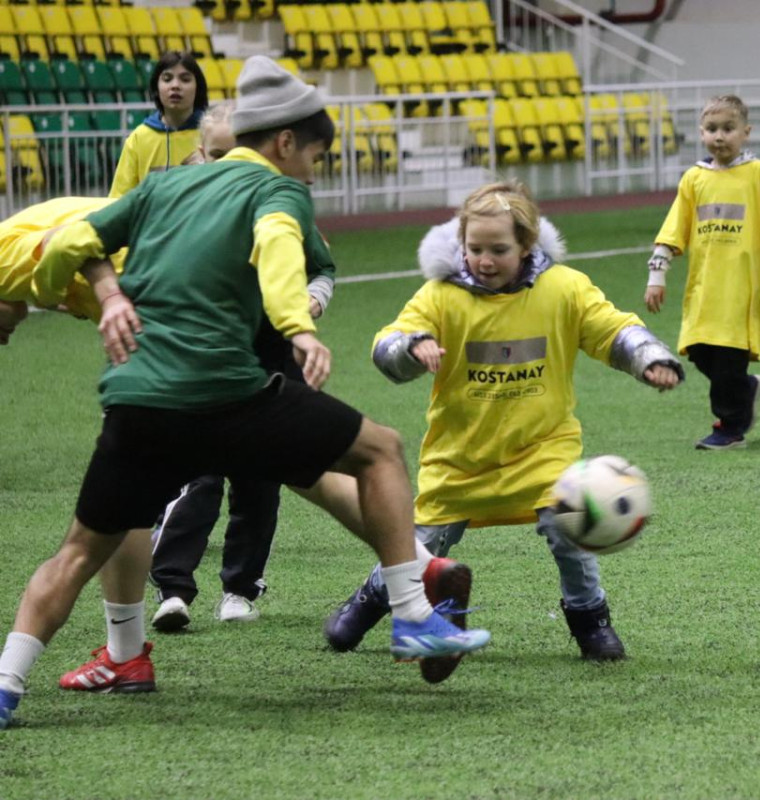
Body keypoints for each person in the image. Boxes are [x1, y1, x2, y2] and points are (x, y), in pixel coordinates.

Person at [0, 56, 490, 731]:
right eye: (316, 154)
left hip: (137, 402)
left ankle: (7, 685)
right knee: (379, 449)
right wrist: (298, 325)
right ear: (285, 142)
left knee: (81, 548)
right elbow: (279, 245)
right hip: (228, 397)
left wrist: (108, 294)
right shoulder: (280, 192)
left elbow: (72, 242)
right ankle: (411, 613)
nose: (316, 171)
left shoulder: (164, 187)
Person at [323, 181, 682, 667]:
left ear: (528, 246)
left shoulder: (565, 288)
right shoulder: (441, 296)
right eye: (474, 249)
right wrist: (411, 348)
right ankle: (368, 602)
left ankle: (591, 622)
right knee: (416, 545)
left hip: (543, 449)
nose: (484, 260)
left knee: (570, 530)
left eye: (499, 249)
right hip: (460, 456)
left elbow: (612, 328)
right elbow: (389, 344)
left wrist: (649, 359)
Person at [147, 101, 336, 630]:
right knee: (198, 474)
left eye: (240, 152)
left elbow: (321, 267)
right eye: (219, 153)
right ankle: (173, 588)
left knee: (260, 476)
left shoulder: (285, 207)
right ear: (201, 155)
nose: (230, 164)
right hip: (206, 361)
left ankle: (239, 589)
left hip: (271, 360)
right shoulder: (186, 212)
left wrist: (312, 303)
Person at [643, 94, 760, 450]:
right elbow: (673, 231)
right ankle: (745, 389)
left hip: (741, 287)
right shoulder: (694, 179)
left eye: (728, 129)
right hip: (704, 287)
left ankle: (729, 427)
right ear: (701, 133)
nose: (720, 136)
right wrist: (657, 274)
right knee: (699, 350)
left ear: (745, 132)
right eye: (712, 129)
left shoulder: (759, 174)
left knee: (728, 356)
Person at [0, 196, 125, 345]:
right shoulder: (23, 280)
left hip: (136, 264)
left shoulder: (3, 264)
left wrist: (48, 296)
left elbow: (67, 240)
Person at [108, 50, 209, 198]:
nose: (175, 85)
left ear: (198, 88)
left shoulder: (212, 134)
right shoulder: (138, 138)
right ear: (156, 88)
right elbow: (119, 199)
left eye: (185, 79)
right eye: (167, 79)